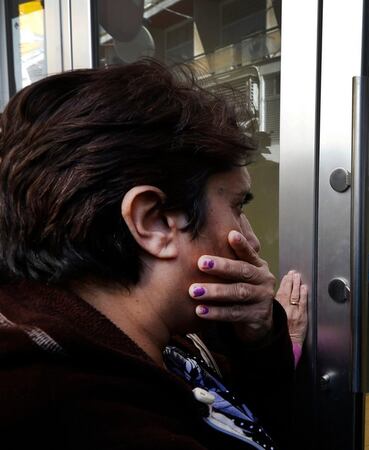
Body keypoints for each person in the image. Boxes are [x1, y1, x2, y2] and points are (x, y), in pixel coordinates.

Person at [0, 60, 307, 449]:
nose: (251, 239)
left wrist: (260, 340)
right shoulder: (65, 406)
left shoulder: (163, 339)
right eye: (237, 207)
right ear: (153, 222)